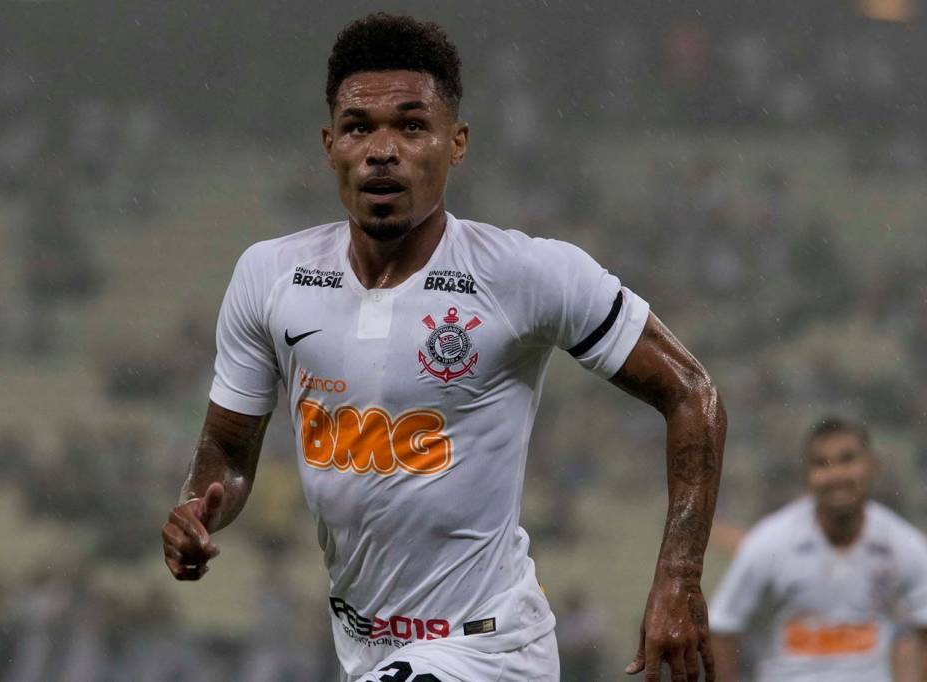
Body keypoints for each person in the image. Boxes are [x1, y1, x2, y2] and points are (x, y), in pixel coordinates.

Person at [160, 13, 726, 682]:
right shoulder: (271, 276)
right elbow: (228, 454)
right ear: (329, 145)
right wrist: (199, 508)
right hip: (365, 651)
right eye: (358, 127)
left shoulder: (524, 274)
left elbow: (692, 393)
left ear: (456, 143)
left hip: (489, 650)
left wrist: (679, 576)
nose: (382, 150)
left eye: (410, 126)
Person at [709, 417, 927, 681]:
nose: (837, 475)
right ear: (807, 476)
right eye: (822, 464)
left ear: (872, 465)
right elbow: (722, 625)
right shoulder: (769, 541)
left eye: (847, 459)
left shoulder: (902, 543)